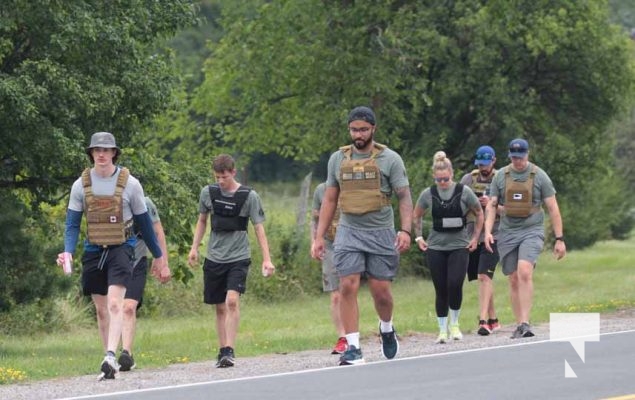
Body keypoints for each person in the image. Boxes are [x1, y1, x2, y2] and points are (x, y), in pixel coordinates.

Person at [56, 132, 166, 379]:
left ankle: (109, 356)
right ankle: (110, 356)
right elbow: (72, 225)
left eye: (106, 150)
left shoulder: (131, 184)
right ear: (92, 153)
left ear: (114, 153)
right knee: (101, 309)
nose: (102, 154)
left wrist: (158, 255)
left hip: (122, 248)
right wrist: (68, 251)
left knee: (115, 303)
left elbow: (145, 224)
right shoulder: (80, 185)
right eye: (97, 150)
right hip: (94, 249)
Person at [311, 106, 413, 365]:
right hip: (348, 231)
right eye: (354, 129)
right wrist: (319, 237)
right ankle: (353, 347)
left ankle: (387, 327)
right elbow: (330, 199)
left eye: (363, 129)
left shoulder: (390, 159)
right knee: (347, 285)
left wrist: (405, 230)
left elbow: (404, 197)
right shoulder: (338, 159)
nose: (358, 134)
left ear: (373, 129)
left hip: (380, 233)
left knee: (381, 293)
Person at [188, 154, 275, 368]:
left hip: (239, 257)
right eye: (217, 177)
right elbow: (201, 221)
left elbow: (258, 228)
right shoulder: (208, 193)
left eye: (224, 176)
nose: (220, 181)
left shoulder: (249, 196)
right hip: (214, 256)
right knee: (219, 307)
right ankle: (222, 349)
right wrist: (194, 248)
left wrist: (267, 259)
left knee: (232, 301)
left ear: (233, 172)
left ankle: (230, 349)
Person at [484, 138, 566, 338]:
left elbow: (553, 207)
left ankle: (526, 322)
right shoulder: (501, 177)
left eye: (521, 157)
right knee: (513, 278)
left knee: (524, 272)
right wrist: (487, 231)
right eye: (514, 158)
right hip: (508, 231)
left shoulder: (539, 176)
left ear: (527, 155)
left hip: (532, 229)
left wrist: (559, 238)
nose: (518, 161)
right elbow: (492, 205)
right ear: (509, 156)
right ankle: (520, 323)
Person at [413, 151, 483, 344]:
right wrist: (419, 237)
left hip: (459, 245)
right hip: (436, 246)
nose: (442, 183)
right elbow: (416, 215)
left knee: (454, 284)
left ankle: (455, 324)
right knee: (440, 288)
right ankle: (442, 330)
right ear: (434, 177)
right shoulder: (428, 194)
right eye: (439, 180)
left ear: (451, 175)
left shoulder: (463, 192)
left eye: (445, 179)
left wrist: (475, 237)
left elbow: (479, 212)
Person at [118, 196, 172, 372]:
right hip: (115, 263)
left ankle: (126, 352)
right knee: (115, 308)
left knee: (128, 307)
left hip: (138, 261)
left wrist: (163, 263)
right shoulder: (108, 202)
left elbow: (158, 233)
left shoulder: (145, 203)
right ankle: (115, 352)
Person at [459, 145, 502, 336]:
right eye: (480, 164)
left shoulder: (502, 178)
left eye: (486, 164)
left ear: (494, 161)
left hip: (495, 233)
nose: (483, 168)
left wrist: (493, 205)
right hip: (473, 234)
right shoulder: (468, 179)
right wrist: (474, 204)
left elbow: (512, 208)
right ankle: (494, 319)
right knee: (482, 278)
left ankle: (483, 321)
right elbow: (458, 203)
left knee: (485, 276)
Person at [311, 182, 347, 355]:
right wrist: (314, 241)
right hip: (330, 244)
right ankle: (343, 337)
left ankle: (383, 327)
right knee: (335, 295)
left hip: (351, 242)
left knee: (350, 290)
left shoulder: (351, 185)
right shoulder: (321, 190)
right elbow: (315, 219)